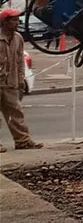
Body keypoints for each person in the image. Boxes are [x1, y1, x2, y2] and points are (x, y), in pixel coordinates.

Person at [0, 9, 42, 151]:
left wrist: (20, 80)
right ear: (4, 22)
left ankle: (23, 141)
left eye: (18, 20)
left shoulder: (18, 38)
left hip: (10, 83)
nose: (17, 23)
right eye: (13, 20)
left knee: (16, 113)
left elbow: (19, 61)